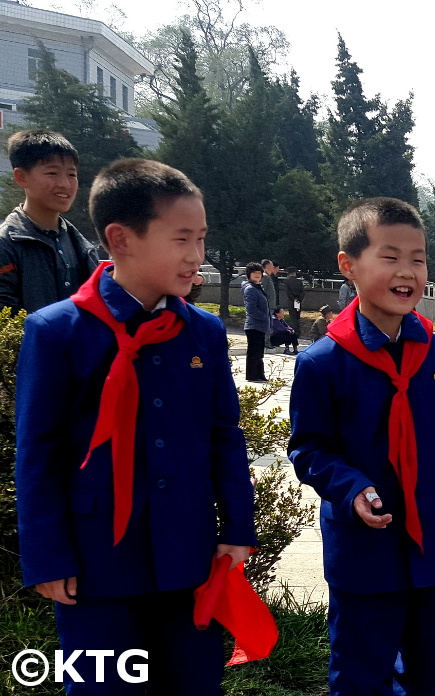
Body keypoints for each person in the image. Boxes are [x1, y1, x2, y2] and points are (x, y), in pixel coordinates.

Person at [15, 158, 259, 693]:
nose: (197, 257)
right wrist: (47, 555)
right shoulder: (58, 332)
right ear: (121, 238)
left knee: (192, 680)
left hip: (188, 556)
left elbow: (224, 433)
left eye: (201, 239)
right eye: (181, 240)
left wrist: (238, 526)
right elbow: (38, 451)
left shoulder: (202, 334)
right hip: (93, 562)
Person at [289, 197, 435, 695]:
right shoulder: (322, 363)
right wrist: (350, 486)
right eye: (391, 256)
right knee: (360, 669)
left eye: (418, 259)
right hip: (365, 550)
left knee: (431, 669)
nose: (408, 271)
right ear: (348, 265)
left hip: (434, 546)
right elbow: (309, 449)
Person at [1, 129, 100, 314]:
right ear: (21, 177)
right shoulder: (6, 245)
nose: (65, 184)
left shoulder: (82, 246)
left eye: (72, 174)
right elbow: (6, 323)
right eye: (52, 173)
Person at [241, 262, 269, 382]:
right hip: (254, 325)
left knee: (259, 352)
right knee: (254, 352)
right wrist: (264, 316)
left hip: (260, 325)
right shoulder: (250, 289)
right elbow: (251, 309)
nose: (257, 275)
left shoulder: (258, 287)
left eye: (259, 272)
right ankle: (252, 375)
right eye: (255, 273)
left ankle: (259, 374)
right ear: (249, 274)